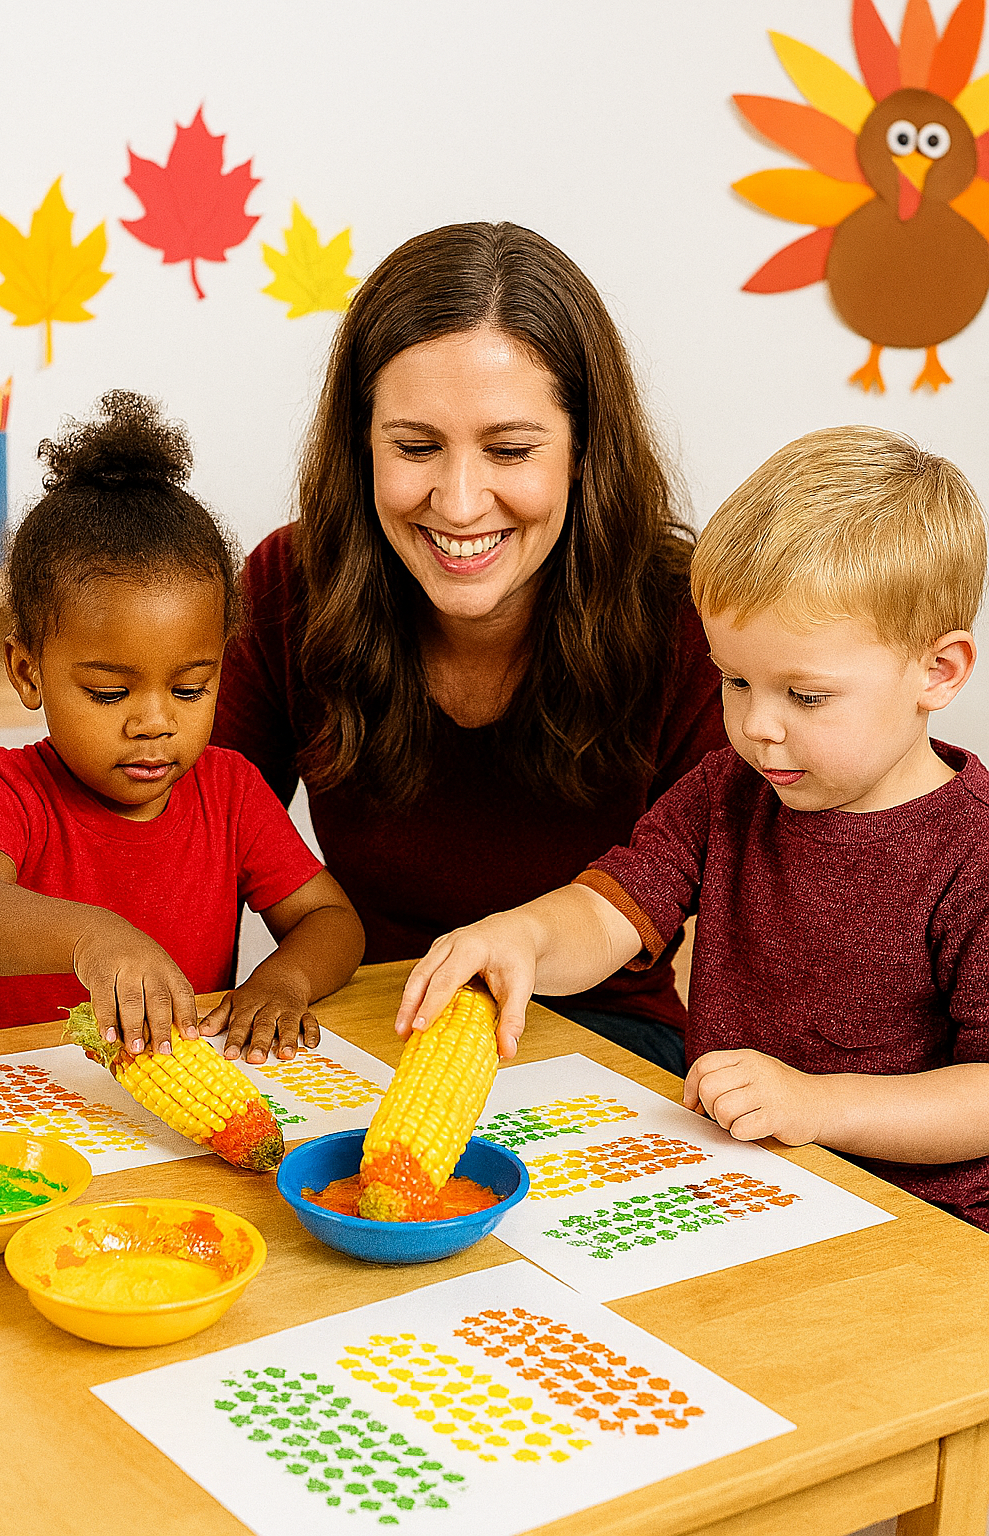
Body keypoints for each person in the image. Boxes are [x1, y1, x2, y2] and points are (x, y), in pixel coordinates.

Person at [394, 426, 989, 1231]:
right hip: (743, 1192)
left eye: (804, 696)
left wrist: (817, 1105)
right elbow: (612, 910)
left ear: (938, 672)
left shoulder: (972, 853)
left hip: (922, 1231)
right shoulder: (728, 792)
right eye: (736, 681)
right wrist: (525, 936)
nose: (757, 726)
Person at [212, 221, 725, 1076]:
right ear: (360, 444)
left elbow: (765, 887)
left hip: (609, 1041)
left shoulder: (692, 618)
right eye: (414, 448)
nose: (457, 502)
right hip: (359, 1028)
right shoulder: (285, 587)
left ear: (583, 452)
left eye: (510, 450)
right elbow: (191, 831)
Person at [0, 392, 364, 1062]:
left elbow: (333, 920)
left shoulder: (230, 791)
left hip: (166, 1120)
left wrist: (283, 981)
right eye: (110, 692)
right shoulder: (7, 792)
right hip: (21, 1110)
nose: (154, 722)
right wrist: (93, 937)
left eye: (189, 688)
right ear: (28, 671)